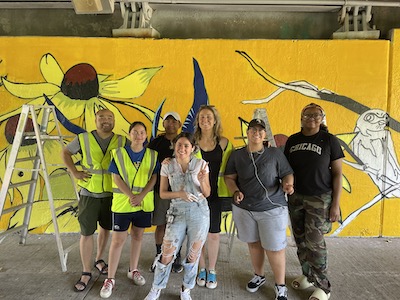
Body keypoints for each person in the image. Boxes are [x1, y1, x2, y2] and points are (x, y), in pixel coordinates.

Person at [224, 118, 294, 300]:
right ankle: (259, 275)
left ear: (264, 135)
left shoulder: (275, 154)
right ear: (247, 133)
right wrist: (235, 191)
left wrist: (288, 184)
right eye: (252, 130)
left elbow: (287, 173)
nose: (256, 133)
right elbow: (229, 177)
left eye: (260, 131)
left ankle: (280, 286)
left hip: (272, 208)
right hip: (245, 209)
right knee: (254, 244)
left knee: (274, 247)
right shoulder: (237, 155)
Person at [61, 109, 127, 292]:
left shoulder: (122, 140)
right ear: (95, 120)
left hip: (112, 194)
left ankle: (99, 259)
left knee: (106, 228)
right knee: (87, 232)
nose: (106, 121)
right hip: (89, 193)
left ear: (114, 120)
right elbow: (65, 153)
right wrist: (74, 171)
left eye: (109, 117)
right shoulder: (83, 138)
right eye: (102, 118)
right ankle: (86, 271)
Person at [283, 103, 344, 300]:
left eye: (316, 115)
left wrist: (335, 203)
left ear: (322, 118)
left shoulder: (330, 140)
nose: (312, 117)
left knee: (315, 243)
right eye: (307, 114)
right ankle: (308, 275)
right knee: (300, 240)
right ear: (301, 117)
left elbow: (337, 174)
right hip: (296, 198)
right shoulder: (293, 140)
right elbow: (286, 170)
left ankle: (323, 286)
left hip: (320, 199)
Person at [144, 132, 211, 300]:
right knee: (167, 252)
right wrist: (180, 194)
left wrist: (202, 180)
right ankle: (156, 288)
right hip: (176, 212)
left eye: (186, 145)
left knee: (193, 254)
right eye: (179, 145)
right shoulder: (167, 165)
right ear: (174, 147)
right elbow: (163, 193)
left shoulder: (201, 164)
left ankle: (185, 289)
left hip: (199, 212)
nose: (182, 148)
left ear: (193, 148)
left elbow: (207, 192)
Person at [100, 121, 159, 299]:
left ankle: (133, 270)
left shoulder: (152, 155)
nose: (139, 135)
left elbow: (154, 177)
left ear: (146, 135)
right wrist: (131, 195)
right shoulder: (118, 153)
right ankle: (110, 278)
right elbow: (116, 177)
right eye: (135, 132)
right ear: (129, 134)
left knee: (138, 236)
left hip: (143, 203)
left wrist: (140, 196)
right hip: (122, 204)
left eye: (142, 132)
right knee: (118, 240)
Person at [193, 105, 233, 290]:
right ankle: (201, 268)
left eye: (209, 117)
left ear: (215, 120)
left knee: (213, 234)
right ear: (198, 120)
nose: (205, 120)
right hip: (196, 195)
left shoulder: (224, 143)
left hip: (216, 195)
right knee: (197, 235)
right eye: (202, 117)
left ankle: (212, 269)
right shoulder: (192, 142)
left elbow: (233, 170)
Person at [148, 111, 183, 273]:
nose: (171, 124)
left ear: (179, 125)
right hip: (161, 190)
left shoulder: (183, 141)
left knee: (178, 225)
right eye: (167, 121)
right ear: (163, 124)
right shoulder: (155, 142)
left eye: (174, 121)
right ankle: (160, 253)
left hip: (180, 191)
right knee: (161, 223)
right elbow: (147, 163)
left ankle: (176, 255)